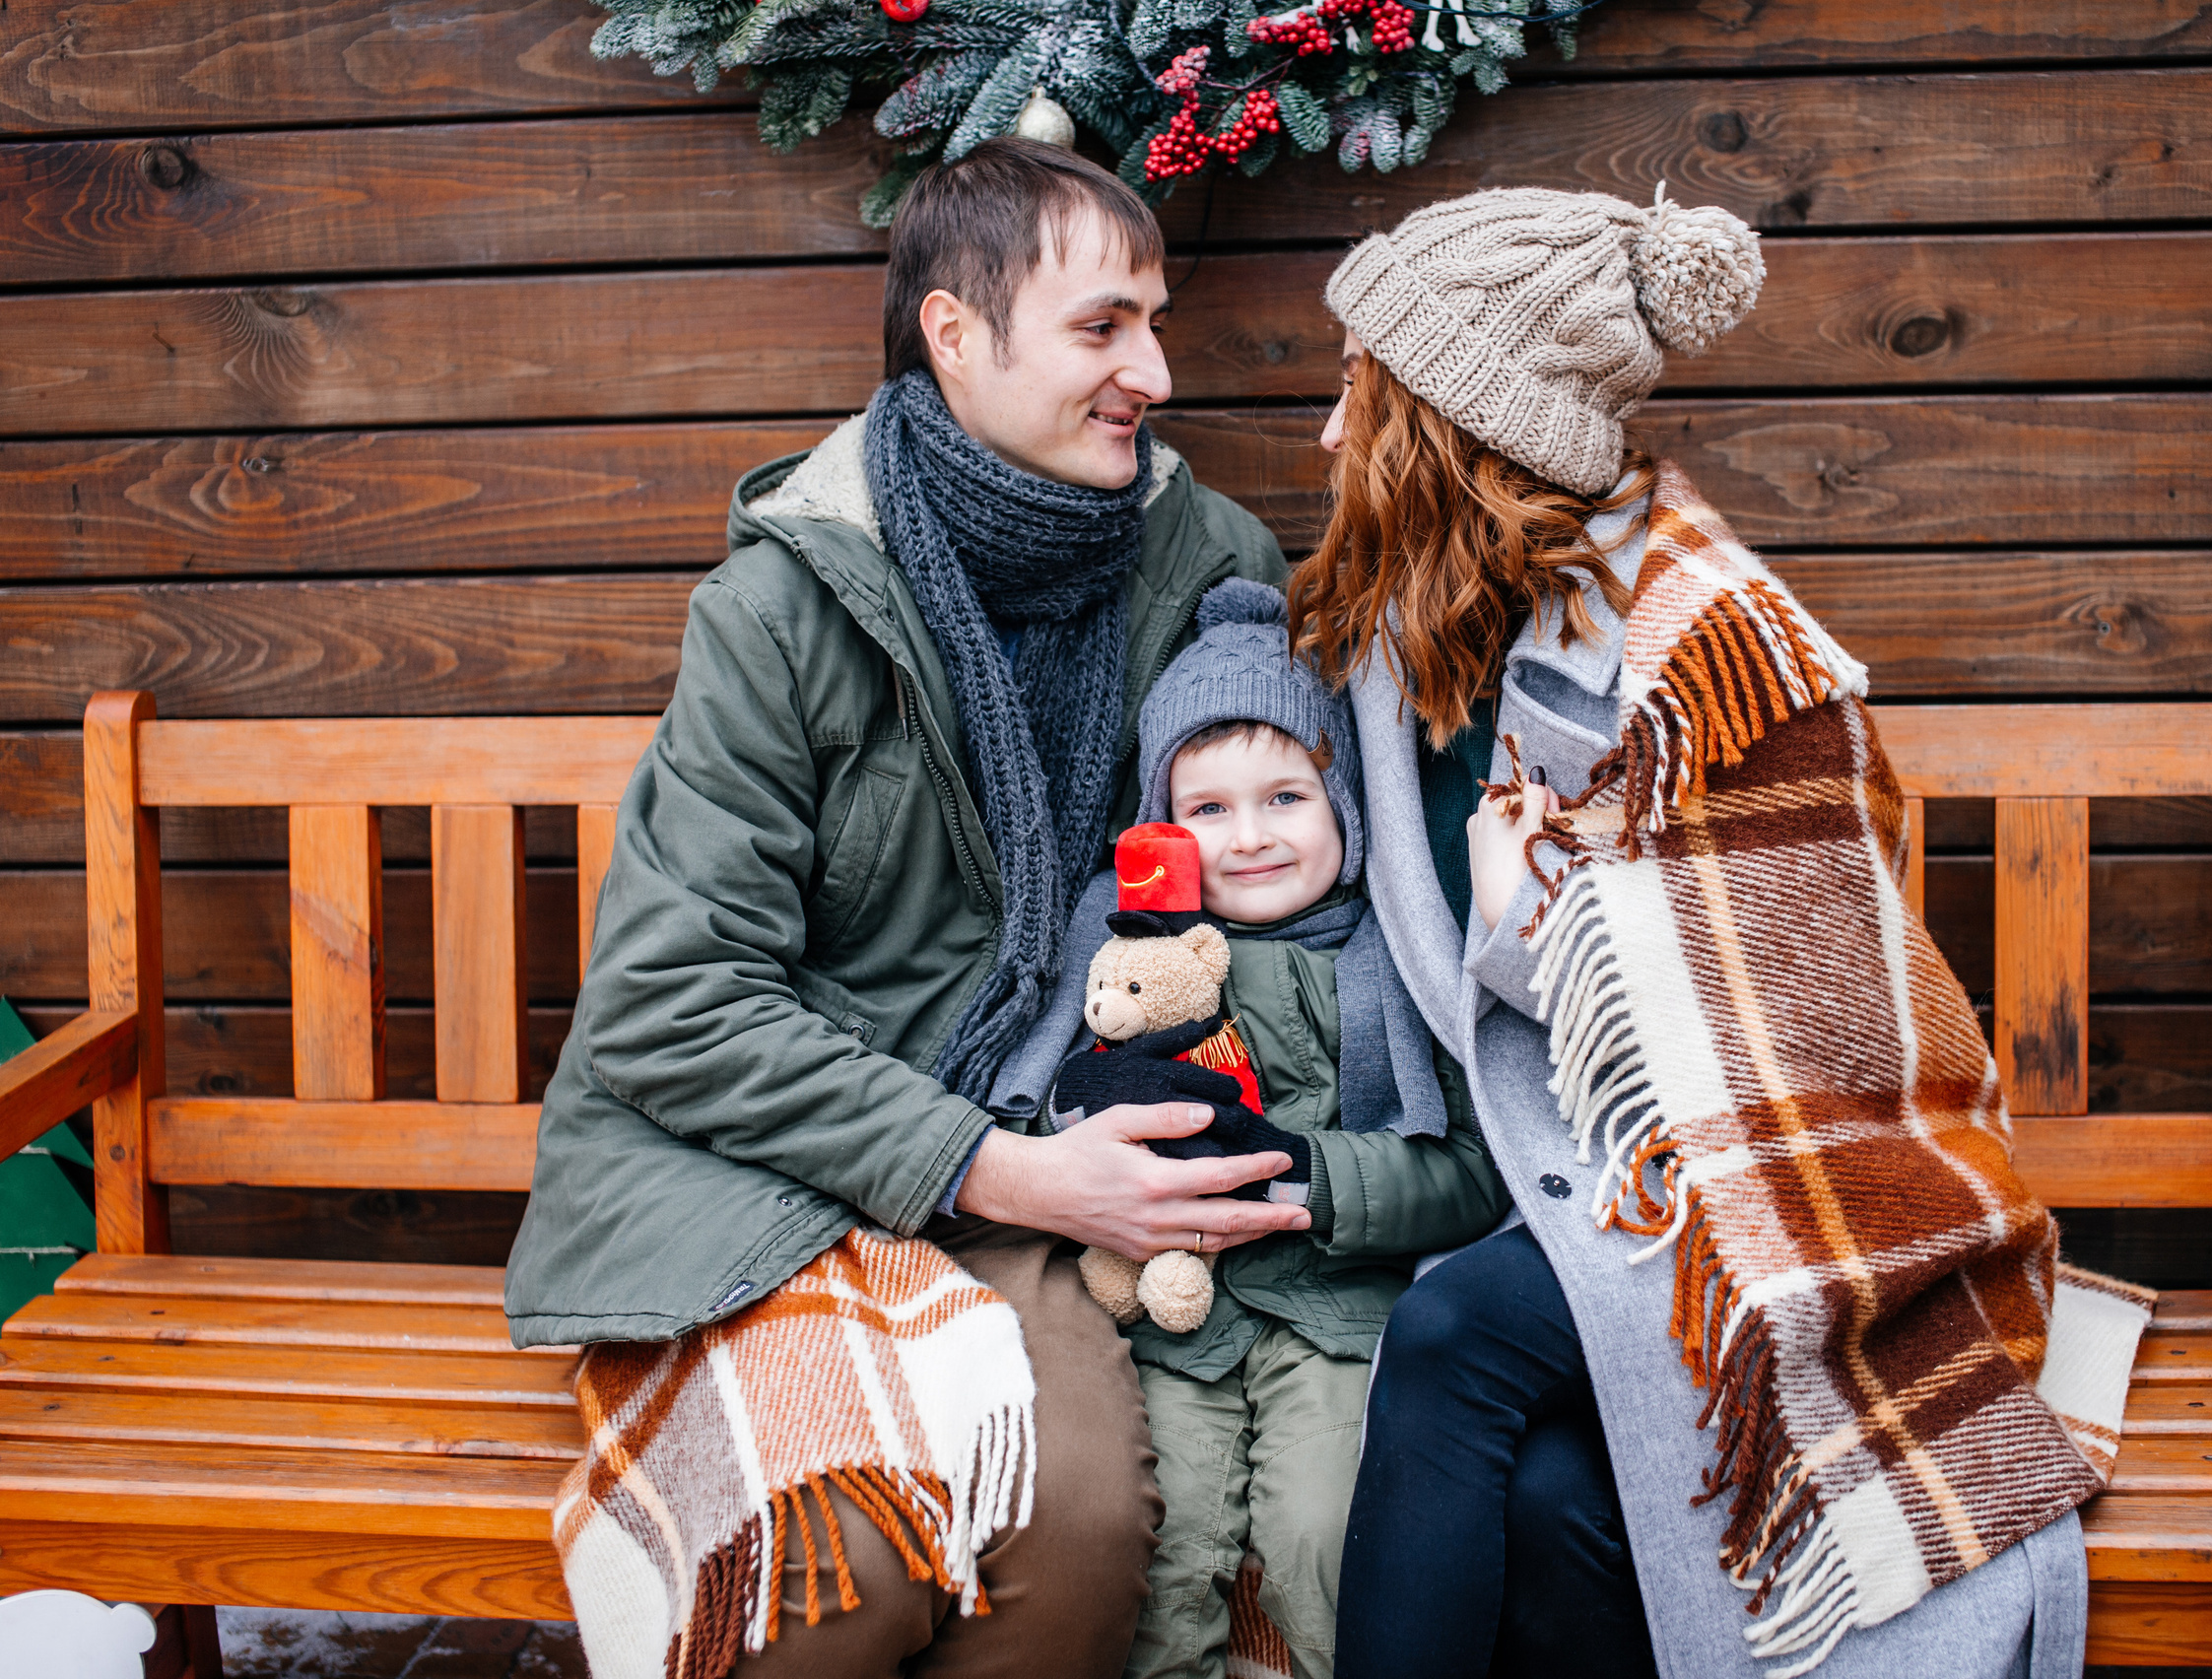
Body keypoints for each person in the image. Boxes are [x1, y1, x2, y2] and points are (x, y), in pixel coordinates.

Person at [504, 139, 1306, 1678]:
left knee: (1071, 1537)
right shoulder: (787, 606)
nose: (1151, 368)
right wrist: (1001, 1170)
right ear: (955, 332)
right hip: (752, 1177)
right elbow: (675, 1003)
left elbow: (1275, 872)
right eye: (1101, 327)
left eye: (1156, 321)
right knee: (838, 1564)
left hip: (1038, 1141)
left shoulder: (1208, 568)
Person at [1295, 188, 2107, 1679]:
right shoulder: (1414, 631)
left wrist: (1524, 910)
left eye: (1358, 388)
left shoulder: (1715, 664)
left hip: (1791, 1183)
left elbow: (1802, 1040)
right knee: (1545, 1499)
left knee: (1455, 1337)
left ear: (1452, 417)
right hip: (1571, 1179)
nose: (1331, 439)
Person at [992, 580, 1508, 1679]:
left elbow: (1471, 1172)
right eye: (1209, 811)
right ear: (1159, 835)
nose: (1252, 837)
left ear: (1347, 811)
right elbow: (1051, 1097)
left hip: (1336, 1313)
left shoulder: (1395, 958)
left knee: (1322, 1539)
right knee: (1161, 1551)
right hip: (1171, 1322)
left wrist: (1311, 1182)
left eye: (1287, 798)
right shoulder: (1127, 955)